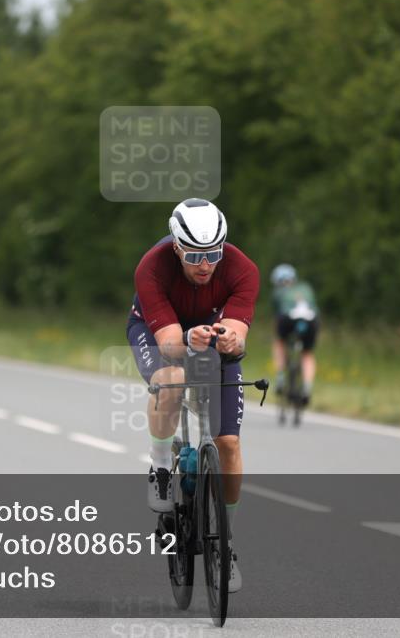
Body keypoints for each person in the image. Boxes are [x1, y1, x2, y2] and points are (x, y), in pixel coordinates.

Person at [127, 198, 259, 592]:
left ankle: (226, 544)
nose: (206, 264)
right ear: (176, 246)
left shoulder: (242, 270)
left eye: (214, 253)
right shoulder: (151, 268)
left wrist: (229, 340)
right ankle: (160, 466)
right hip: (160, 334)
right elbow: (169, 344)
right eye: (196, 255)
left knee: (229, 444)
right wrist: (187, 338)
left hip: (211, 341)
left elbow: (237, 337)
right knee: (169, 378)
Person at [270, 264, 319, 406]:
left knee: (279, 342)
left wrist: (278, 334)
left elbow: (277, 316)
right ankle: (307, 387)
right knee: (307, 353)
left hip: (288, 318)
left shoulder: (278, 292)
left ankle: (280, 377)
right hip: (311, 320)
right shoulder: (306, 287)